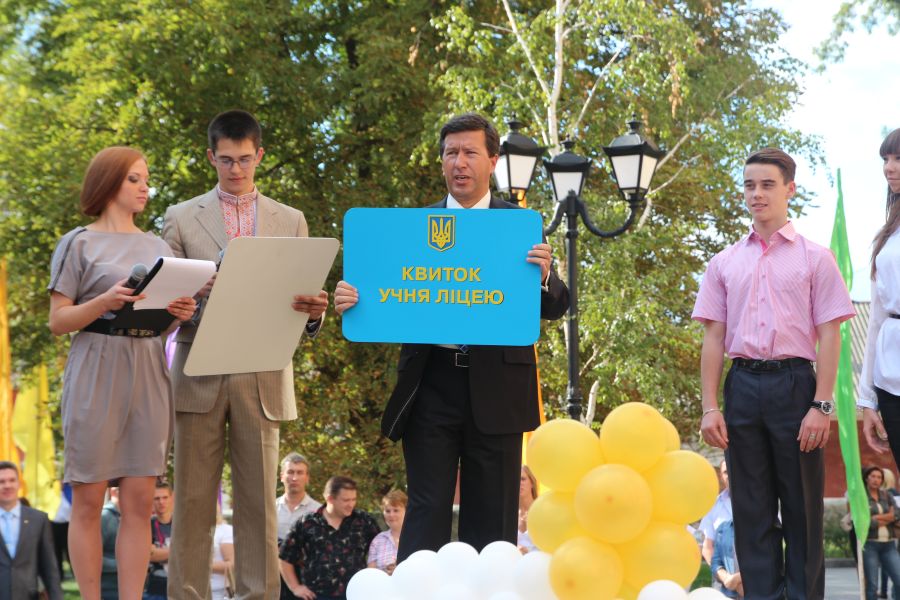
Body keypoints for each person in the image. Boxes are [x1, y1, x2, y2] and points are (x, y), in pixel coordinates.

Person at [334, 113, 569, 560]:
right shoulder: (411, 230)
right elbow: (387, 294)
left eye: (470, 152)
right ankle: (419, 588)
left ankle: (490, 590)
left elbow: (557, 304)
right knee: (425, 509)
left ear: (493, 161)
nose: (459, 162)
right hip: (430, 383)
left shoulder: (519, 226)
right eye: (450, 153)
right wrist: (354, 301)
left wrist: (542, 278)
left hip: (498, 386)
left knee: (493, 515)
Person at [162, 109, 329, 600]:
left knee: (259, 504)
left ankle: (258, 595)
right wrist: (191, 296)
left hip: (263, 372)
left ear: (260, 156)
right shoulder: (180, 217)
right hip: (198, 368)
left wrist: (314, 313)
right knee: (193, 502)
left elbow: (301, 301)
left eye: (244, 159)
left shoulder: (291, 220)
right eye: (226, 160)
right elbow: (166, 301)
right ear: (210, 157)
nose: (236, 169)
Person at [694, 147, 855, 600]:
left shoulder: (816, 259)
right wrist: (710, 407)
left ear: (790, 190)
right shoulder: (724, 262)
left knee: (802, 511)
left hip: (796, 385)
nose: (757, 194)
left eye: (767, 184)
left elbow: (830, 336)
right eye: (749, 185)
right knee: (751, 511)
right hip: (742, 386)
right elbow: (713, 338)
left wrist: (822, 404)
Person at [47, 146, 196, 600]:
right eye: (134, 178)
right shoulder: (78, 243)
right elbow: (58, 321)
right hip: (95, 367)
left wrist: (178, 314)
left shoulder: (158, 247)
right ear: (109, 182)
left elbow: (160, 324)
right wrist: (104, 301)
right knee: (88, 499)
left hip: (148, 368)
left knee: (139, 501)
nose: (145, 187)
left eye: (146, 179)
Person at [859, 129, 900, 468]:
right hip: (890, 380)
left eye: (898, 158)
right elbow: (876, 318)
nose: (889, 167)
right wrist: (867, 399)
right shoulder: (885, 238)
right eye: (886, 159)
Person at [278, 476, 379, 600]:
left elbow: (381, 549)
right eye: (346, 500)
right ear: (330, 498)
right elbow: (285, 557)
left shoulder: (364, 521)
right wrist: (295, 587)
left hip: (357, 594)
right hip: (317, 596)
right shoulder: (307, 523)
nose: (351, 504)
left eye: (353, 499)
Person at [0, 461, 62, 600]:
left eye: (12, 480)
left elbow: (49, 568)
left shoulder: (38, 520)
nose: (7, 485)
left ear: (19, 483)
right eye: (1, 481)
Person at [862, 466, 900, 600]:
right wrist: (888, 517)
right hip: (870, 545)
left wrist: (876, 517)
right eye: (873, 476)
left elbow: (897, 514)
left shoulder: (886, 495)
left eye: (879, 477)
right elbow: (865, 522)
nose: (876, 480)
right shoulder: (862, 497)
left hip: (889, 545)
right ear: (867, 478)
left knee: (899, 579)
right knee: (872, 585)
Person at [277, 453, 322, 543]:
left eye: (300, 473)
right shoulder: (270, 509)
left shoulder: (318, 512)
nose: (294, 478)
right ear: (282, 477)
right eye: (290, 472)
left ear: (307, 478)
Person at [699, 460, 733, 568]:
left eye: (733, 470)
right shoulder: (712, 506)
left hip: (758, 572)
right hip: (725, 574)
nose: (730, 475)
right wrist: (720, 572)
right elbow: (706, 545)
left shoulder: (760, 502)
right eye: (726, 472)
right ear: (721, 476)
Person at [144, 481, 174, 600]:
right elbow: (147, 555)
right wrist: (178, 551)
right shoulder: (147, 525)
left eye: (165, 497)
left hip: (178, 588)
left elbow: (190, 554)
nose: (161, 502)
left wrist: (157, 552)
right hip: (154, 589)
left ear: (172, 498)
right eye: (157, 498)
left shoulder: (182, 525)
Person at [367, 490, 407, 574]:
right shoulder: (377, 540)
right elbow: (370, 575)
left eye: (396, 510)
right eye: (388, 511)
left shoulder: (416, 537)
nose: (391, 515)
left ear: (406, 511)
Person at [710, 519, 743, 599]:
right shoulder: (723, 528)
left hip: (757, 594)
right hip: (727, 595)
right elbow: (715, 562)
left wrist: (738, 579)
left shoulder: (763, 527)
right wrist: (727, 579)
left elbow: (767, 562)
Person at [100, 488, 120, 600]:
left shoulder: (129, 515)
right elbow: (92, 556)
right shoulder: (105, 516)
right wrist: (122, 564)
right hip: (108, 585)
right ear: (113, 492)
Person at [210, 510, 234, 600]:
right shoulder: (188, 529)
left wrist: (200, 565)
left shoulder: (225, 530)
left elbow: (231, 565)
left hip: (218, 593)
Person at [517, 465, 538, 553]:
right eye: (516, 479)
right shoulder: (508, 514)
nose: (519, 483)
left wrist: (528, 551)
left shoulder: (542, 511)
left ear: (532, 482)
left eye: (523, 479)